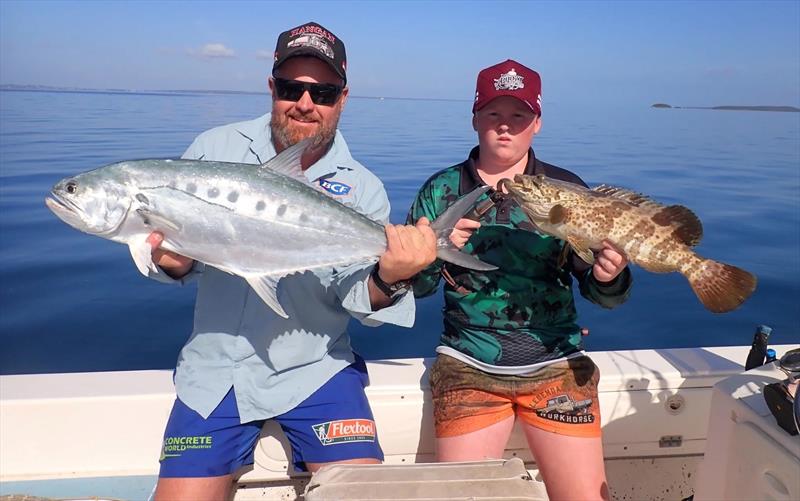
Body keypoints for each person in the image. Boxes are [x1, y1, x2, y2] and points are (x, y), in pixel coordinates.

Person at [148, 22, 437, 501]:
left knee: (367, 494)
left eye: (321, 92)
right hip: (216, 371)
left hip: (317, 370)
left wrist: (393, 275)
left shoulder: (362, 187)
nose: (305, 103)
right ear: (272, 88)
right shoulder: (213, 150)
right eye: (291, 88)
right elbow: (182, 258)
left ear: (342, 98)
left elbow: (356, 293)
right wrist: (172, 261)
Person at [407, 59, 633, 501]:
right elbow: (417, 287)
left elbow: (603, 295)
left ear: (538, 123)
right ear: (475, 118)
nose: (505, 127)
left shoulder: (568, 190)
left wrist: (610, 276)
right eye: (493, 114)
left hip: (557, 365)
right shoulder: (441, 191)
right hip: (467, 366)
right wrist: (434, 250)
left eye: (519, 116)